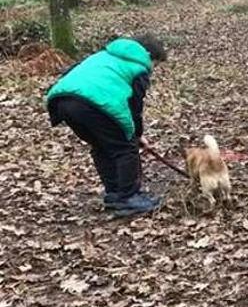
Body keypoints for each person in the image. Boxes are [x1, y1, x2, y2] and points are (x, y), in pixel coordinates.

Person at [46, 35, 166, 215]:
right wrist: (136, 135)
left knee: (102, 146)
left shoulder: (103, 55)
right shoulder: (138, 67)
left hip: (62, 101)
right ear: (148, 54)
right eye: (155, 63)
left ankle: (115, 194)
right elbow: (135, 105)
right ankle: (128, 197)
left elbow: (70, 73)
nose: (152, 68)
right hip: (93, 103)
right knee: (125, 148)